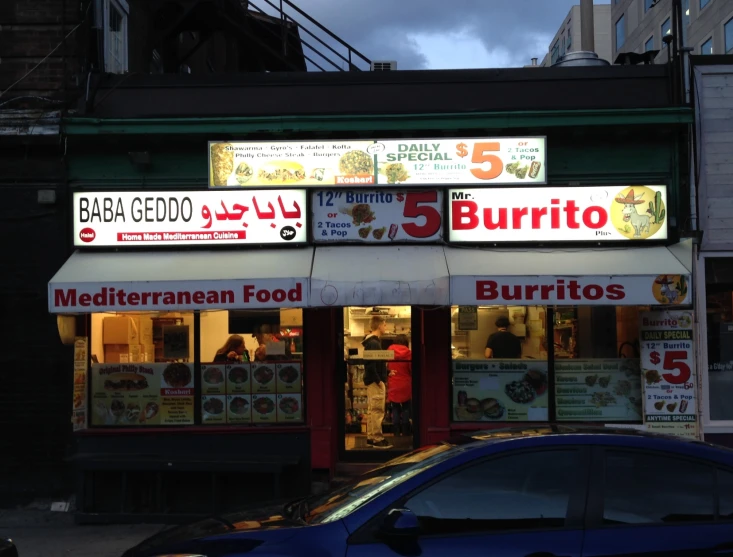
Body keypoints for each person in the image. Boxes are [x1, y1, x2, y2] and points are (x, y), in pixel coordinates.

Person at [362, 316, 392, 449]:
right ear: (379, 326)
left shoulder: (371, 342)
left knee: (372, 410)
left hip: (372, 382)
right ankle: (377, 439)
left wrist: (386, 373)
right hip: (376, 383)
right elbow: (371, 365)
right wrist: (379, 380)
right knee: (377, 410)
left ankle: (370, 437)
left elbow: (372, 364)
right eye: (385, 325)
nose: (386, 327)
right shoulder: (374, 343)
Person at [387, 334, 412, 437]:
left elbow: (387, 366)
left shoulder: (389, 351)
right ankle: (405, 431)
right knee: (406, 408)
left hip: (393, 383)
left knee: (395, 408)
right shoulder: (409, 353)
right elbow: (411, 369)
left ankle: (396, 432)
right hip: (405, 383)